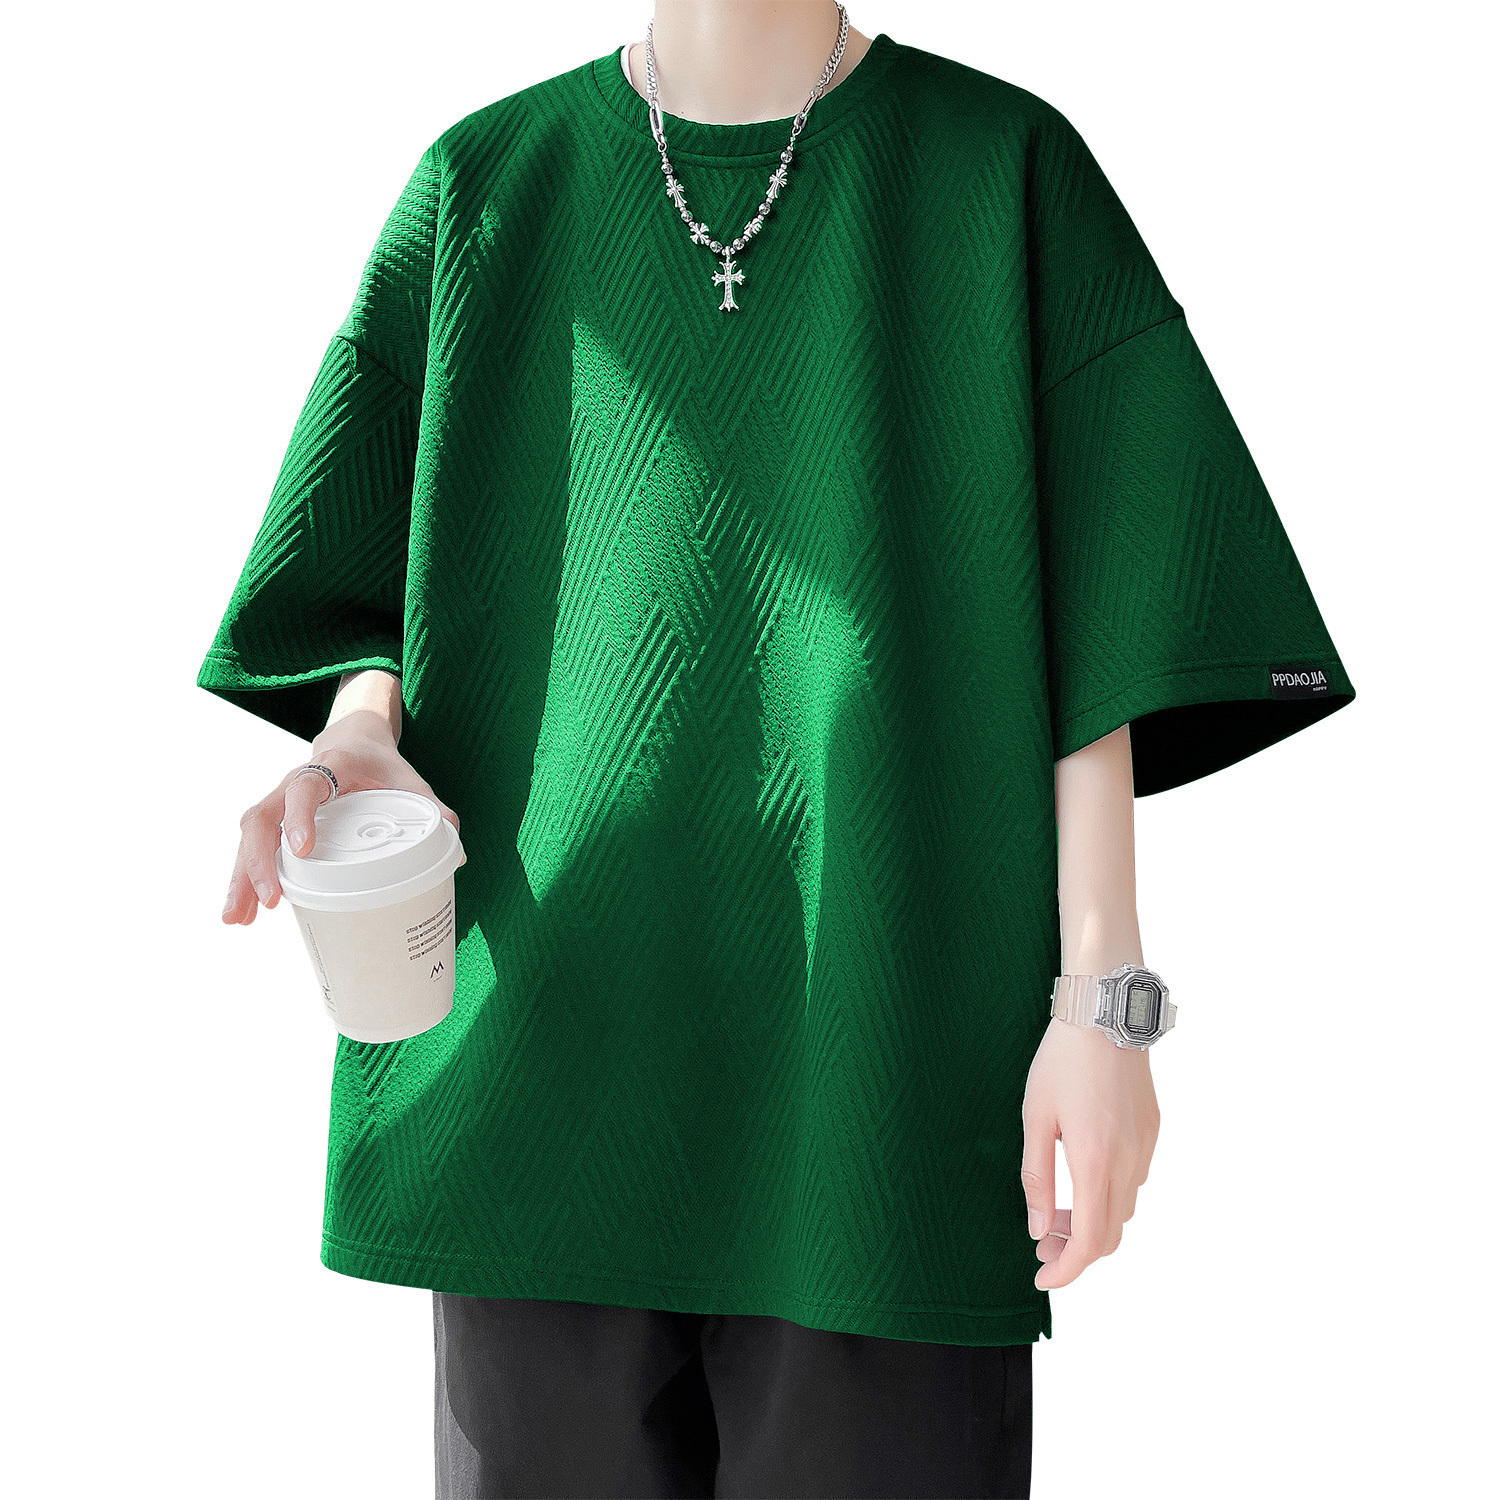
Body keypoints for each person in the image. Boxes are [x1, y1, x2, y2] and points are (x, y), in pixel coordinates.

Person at [200, 4, 1355, 1496]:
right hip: (542, 1073)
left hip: (887, 1066)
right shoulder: (484, 184)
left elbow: (1109, 619)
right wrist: (362, 731)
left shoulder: (1004, 170)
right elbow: (361, 573)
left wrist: (1106, 1005)